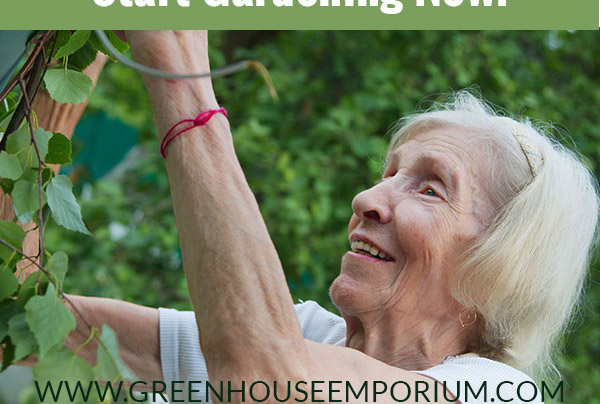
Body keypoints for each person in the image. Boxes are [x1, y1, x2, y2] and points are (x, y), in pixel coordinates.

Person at [61, 31, 597, 404]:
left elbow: (263, 382)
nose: (368, 198)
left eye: (430, 189)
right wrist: (74, 45)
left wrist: (177, 65)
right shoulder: (311, 336)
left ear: (502, 263)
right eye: (388, 174)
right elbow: (29, 315)